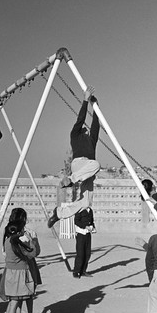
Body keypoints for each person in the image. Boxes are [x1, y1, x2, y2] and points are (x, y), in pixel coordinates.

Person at [48, 85, 100, 228]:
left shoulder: (92, 139)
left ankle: (59, 213)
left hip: (86, 172)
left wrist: (95, 105)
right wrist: (85, 100)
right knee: (97, 164)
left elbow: (96, 123)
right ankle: (71, 180)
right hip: (79, 165)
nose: (86, 127)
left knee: (86, 203)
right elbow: (80, 119)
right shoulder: (75, 135)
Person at [0, 216, 38, 313]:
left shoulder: (8, 240)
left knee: (12, 303)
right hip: (18, 274)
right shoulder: (17, 244)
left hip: (11, 273)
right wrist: (31, 240)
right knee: (15, 302)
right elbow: (32, 253)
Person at [5, 208, 41, 313]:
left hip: (12, 266)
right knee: (26, 291)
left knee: (18, 294)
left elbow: (4, 252)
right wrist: (33, 241)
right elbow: (34, 252)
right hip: (25, 265)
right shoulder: (24, 234)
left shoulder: (8, 234)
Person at [72, 207, 96, 279]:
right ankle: (76, 271)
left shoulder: (90, 210)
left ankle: (83, 271)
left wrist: (92, 227)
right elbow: (76, 221)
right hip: (81, 233)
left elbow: (91, 220)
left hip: (88, 233)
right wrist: (85, 226)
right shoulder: (79, 210)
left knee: (87, 253)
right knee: (80, 253)